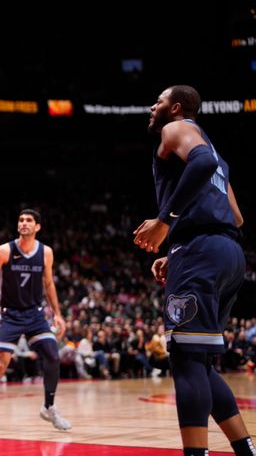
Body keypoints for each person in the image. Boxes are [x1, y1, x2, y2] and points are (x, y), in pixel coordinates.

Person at [133, 85, 255, 456]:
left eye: (158, 101)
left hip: (201, 250)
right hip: (229, 252)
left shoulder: (177, 129)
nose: (152, 106)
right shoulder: (217, 151)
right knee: (199, 360)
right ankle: (246, 450)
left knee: (186, 360)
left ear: (176, 108)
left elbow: (201, 164)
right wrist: (180, 248)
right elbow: (235, 216)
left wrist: (167, 222)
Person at [0, 209, 71, 435]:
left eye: (29, 220)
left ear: (37, 227)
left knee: (53, 355)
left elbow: (49, 284)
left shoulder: (46, 252)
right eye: (21, 220)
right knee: (0, 365)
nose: (24, 223)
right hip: (9, 315)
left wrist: (58, 314)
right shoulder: (5, 250)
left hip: (35, 314)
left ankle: (49, 407)